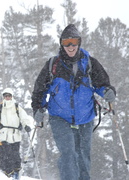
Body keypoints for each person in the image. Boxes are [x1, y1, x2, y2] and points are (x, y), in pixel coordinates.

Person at [31, 24, 116, 180]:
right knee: (69, 152)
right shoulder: (53, 65)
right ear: (61, 44)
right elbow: (39, 91)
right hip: (59, 117)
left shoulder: (90, 63)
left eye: (74, 42)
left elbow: (102, 84)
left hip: (85, 118)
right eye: (66, 42)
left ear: (79, 43)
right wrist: (38, 109)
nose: (70, 46)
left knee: (84, 157)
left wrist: (107, 92)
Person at [0, 88, 32, 180]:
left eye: (9, 96)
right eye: (5, 96)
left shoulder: (17, 107)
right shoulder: (0, 108)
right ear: (3, 97)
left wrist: (26, 126)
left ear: (12, 96)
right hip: (3, 135)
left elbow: (24, 118)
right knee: (5, 155)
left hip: (15, 136)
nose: (7, 97)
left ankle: (16, 173)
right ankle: (6, 174)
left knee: (15, 155)